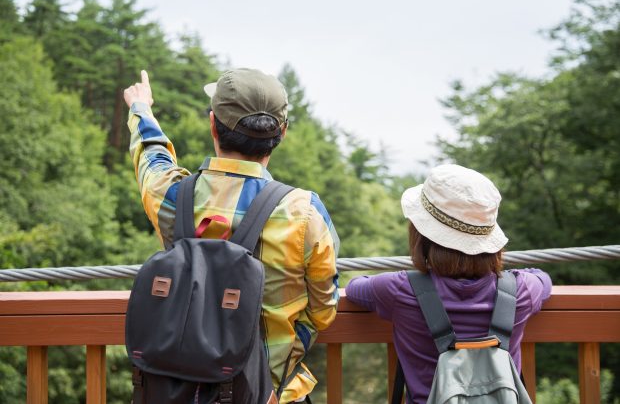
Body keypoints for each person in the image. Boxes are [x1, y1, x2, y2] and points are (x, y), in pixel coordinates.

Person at [123, 68, 340, 403]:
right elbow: (324, 308)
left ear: (213, 125)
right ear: (281, 132)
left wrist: (141, 108)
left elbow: (152, 159)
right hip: (269, 393)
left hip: (181, 392)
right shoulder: (303, 211)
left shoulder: (174, 196)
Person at [345, 164, 552, 404]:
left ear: (421, 235)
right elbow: (543, 278)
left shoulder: (398, 289)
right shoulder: (521, 289)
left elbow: (355, 287)